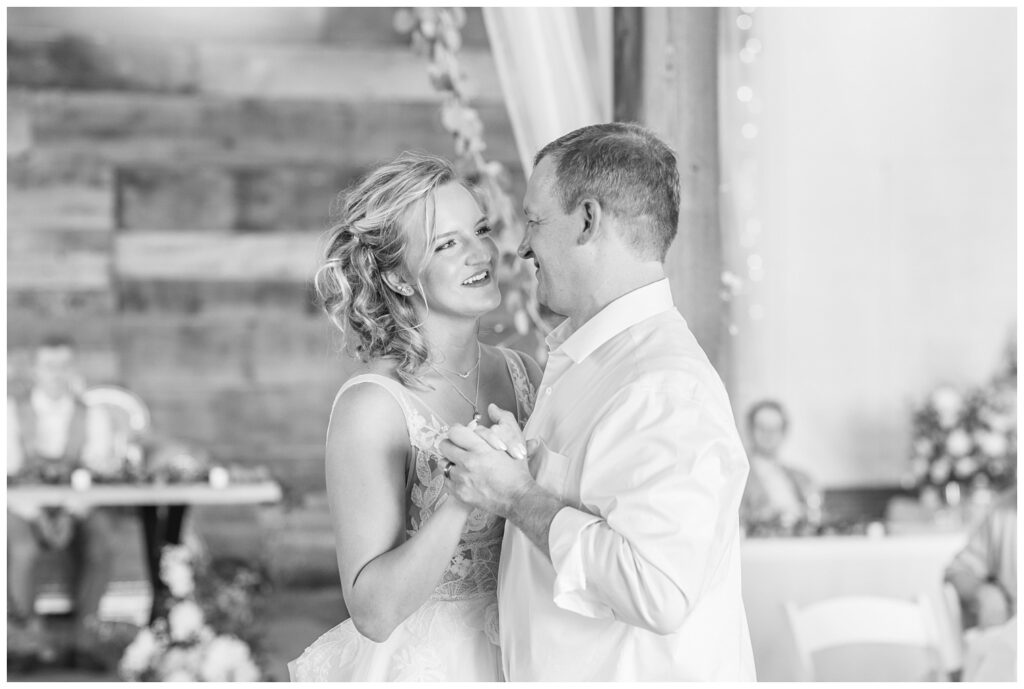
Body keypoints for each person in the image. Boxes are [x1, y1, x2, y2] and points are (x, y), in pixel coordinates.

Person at [440, 123, 756, 680]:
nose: (521, 246)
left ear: (588, 220)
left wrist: (517, 497)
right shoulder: (592, 364)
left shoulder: (663, 386)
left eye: (535, 221)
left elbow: (657, 589)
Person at [287, 152, 541, 681]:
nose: (481, 254)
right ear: (400, 279)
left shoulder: (526, 373)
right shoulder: (372, 406)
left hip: (533, 648)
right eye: (448, 244)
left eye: (480, 230)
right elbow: (373, 614)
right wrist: (459, 500)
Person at [6, 335, 117, 671]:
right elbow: (6, 474)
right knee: (23, 550)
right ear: (36, 370)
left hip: (78, 504)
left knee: (103, 544)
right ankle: (28, 638)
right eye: (49, 366)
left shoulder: (92, 414)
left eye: (63, 366)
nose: (56, 374)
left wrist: (70, 513)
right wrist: (37, 515)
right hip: (23, 506)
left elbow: (97, 471)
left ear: (74, 370)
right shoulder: (11, 410)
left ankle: (83, 638)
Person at [739, 399, 822, 531]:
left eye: (774, 428)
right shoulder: (739, 475)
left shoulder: (802, 478)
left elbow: (816, 514)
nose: (768, 434)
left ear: (783, 433)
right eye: (762, 427)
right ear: (750, 430)